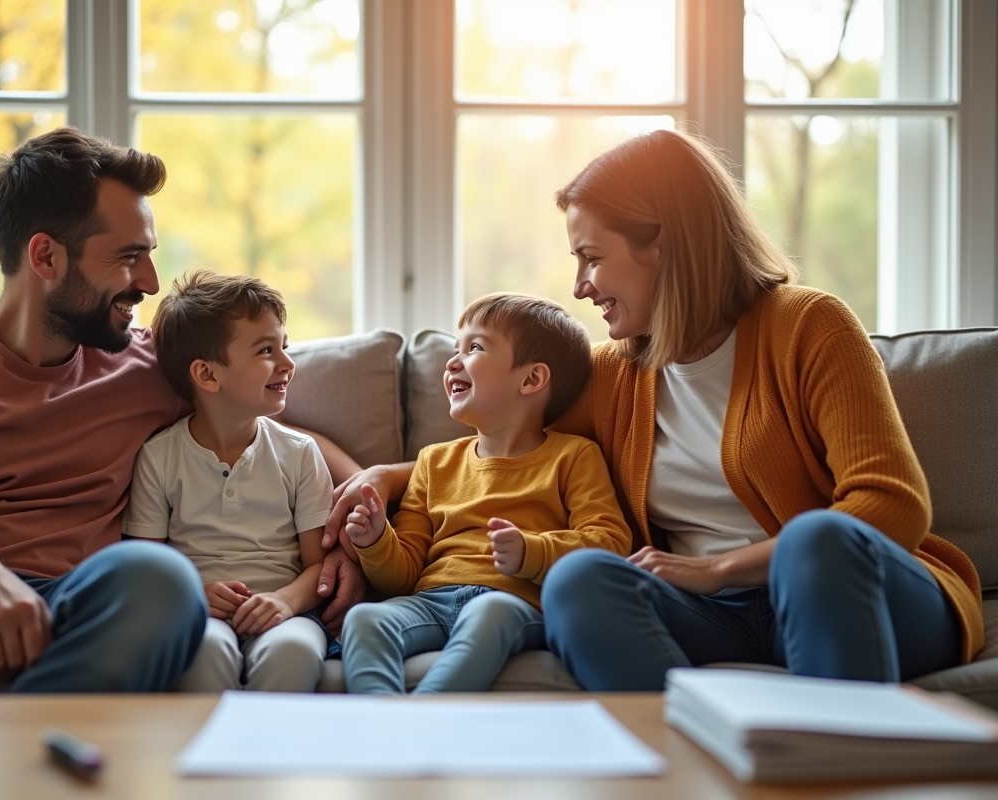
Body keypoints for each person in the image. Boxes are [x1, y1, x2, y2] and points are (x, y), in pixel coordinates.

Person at [0, 127, 360, 799]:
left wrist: (359, 508)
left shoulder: (150, 362)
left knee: (157, 576)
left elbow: (279, 435)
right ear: (45, 257)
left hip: (79, 608)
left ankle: (6, 781)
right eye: (129, 258)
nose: (150, 282)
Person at [326, 129, 984, 692]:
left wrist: (717, 569)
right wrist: (388, 474)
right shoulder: (615, 375)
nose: (581, 287)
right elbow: (508, 445)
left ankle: (828, 760)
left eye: (592, 258)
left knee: (818, 539)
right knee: (581, 579)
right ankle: (685, 762)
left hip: (858, 598)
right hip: (715, 615)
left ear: (664, 245)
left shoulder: (809, 326)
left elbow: (891, 505)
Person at [339, 293, 632, 693]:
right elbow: (402, 574)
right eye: (455, 348)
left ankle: (424, 716)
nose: (452, 361)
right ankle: (383, 724)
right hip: (430, 600)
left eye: (474, 347)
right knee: (364, 619)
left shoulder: (574, 455)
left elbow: (610, 543)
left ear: (531, 379)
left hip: (515, 603)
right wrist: (375, 541)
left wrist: (532, 552)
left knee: (491, 611)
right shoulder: (432, 462)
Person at [125, 270, 336, 692]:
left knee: (293, 651)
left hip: (285, 614)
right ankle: (214, 757)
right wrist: (196, 596)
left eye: (285, 347)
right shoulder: (159, 457)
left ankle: (271, 757)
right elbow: (146, 569)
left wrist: (285, 601)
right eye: (265, 350)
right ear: (206, 375)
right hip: (198, 613)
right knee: (200, 650)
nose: (288, 364)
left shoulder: (299, 454)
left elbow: (319, 566)